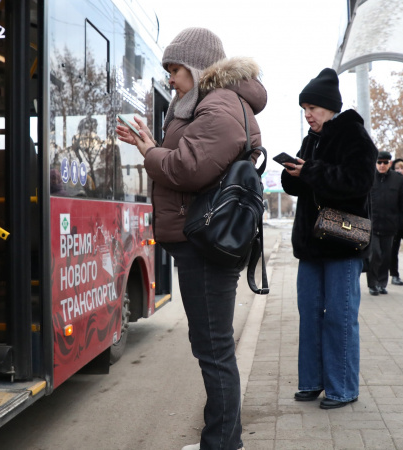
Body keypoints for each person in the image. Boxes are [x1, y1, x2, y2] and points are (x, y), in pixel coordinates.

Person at [116, 27, 266, 450]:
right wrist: (151, 144)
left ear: (199, 69)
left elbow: (187, 168)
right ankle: (222, 439)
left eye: (176, 70)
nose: (170, 79)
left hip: (205, 243)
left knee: (214, 349)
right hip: (206, 240)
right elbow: (188, 160)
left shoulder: (218, 106)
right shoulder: (212, 103)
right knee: (212, 346)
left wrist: (149, 152)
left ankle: (221, 443)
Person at [280, 68, 376, 410]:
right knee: (309, 313)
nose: (308, 114)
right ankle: (311, 382)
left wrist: (312, 171)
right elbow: (303, 184)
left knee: (338, 315)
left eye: (313, 108)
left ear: (330, 107)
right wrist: (292, 173)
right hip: (311, 242)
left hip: (341, 241)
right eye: (304, 108)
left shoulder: (353, 133)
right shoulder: (311, 138)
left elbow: (359, 181)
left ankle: (342, 388)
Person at [366, 151, 403, 296]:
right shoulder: (369, 178)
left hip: (390, 224)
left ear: (389, 164)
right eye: (379, 162)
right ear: (375, 163)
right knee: (375, 254)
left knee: (386, 256)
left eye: (385, 162)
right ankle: (372, 284)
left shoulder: (398, 179)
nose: (382, 165)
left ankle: (381, 283)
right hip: (371, 225)